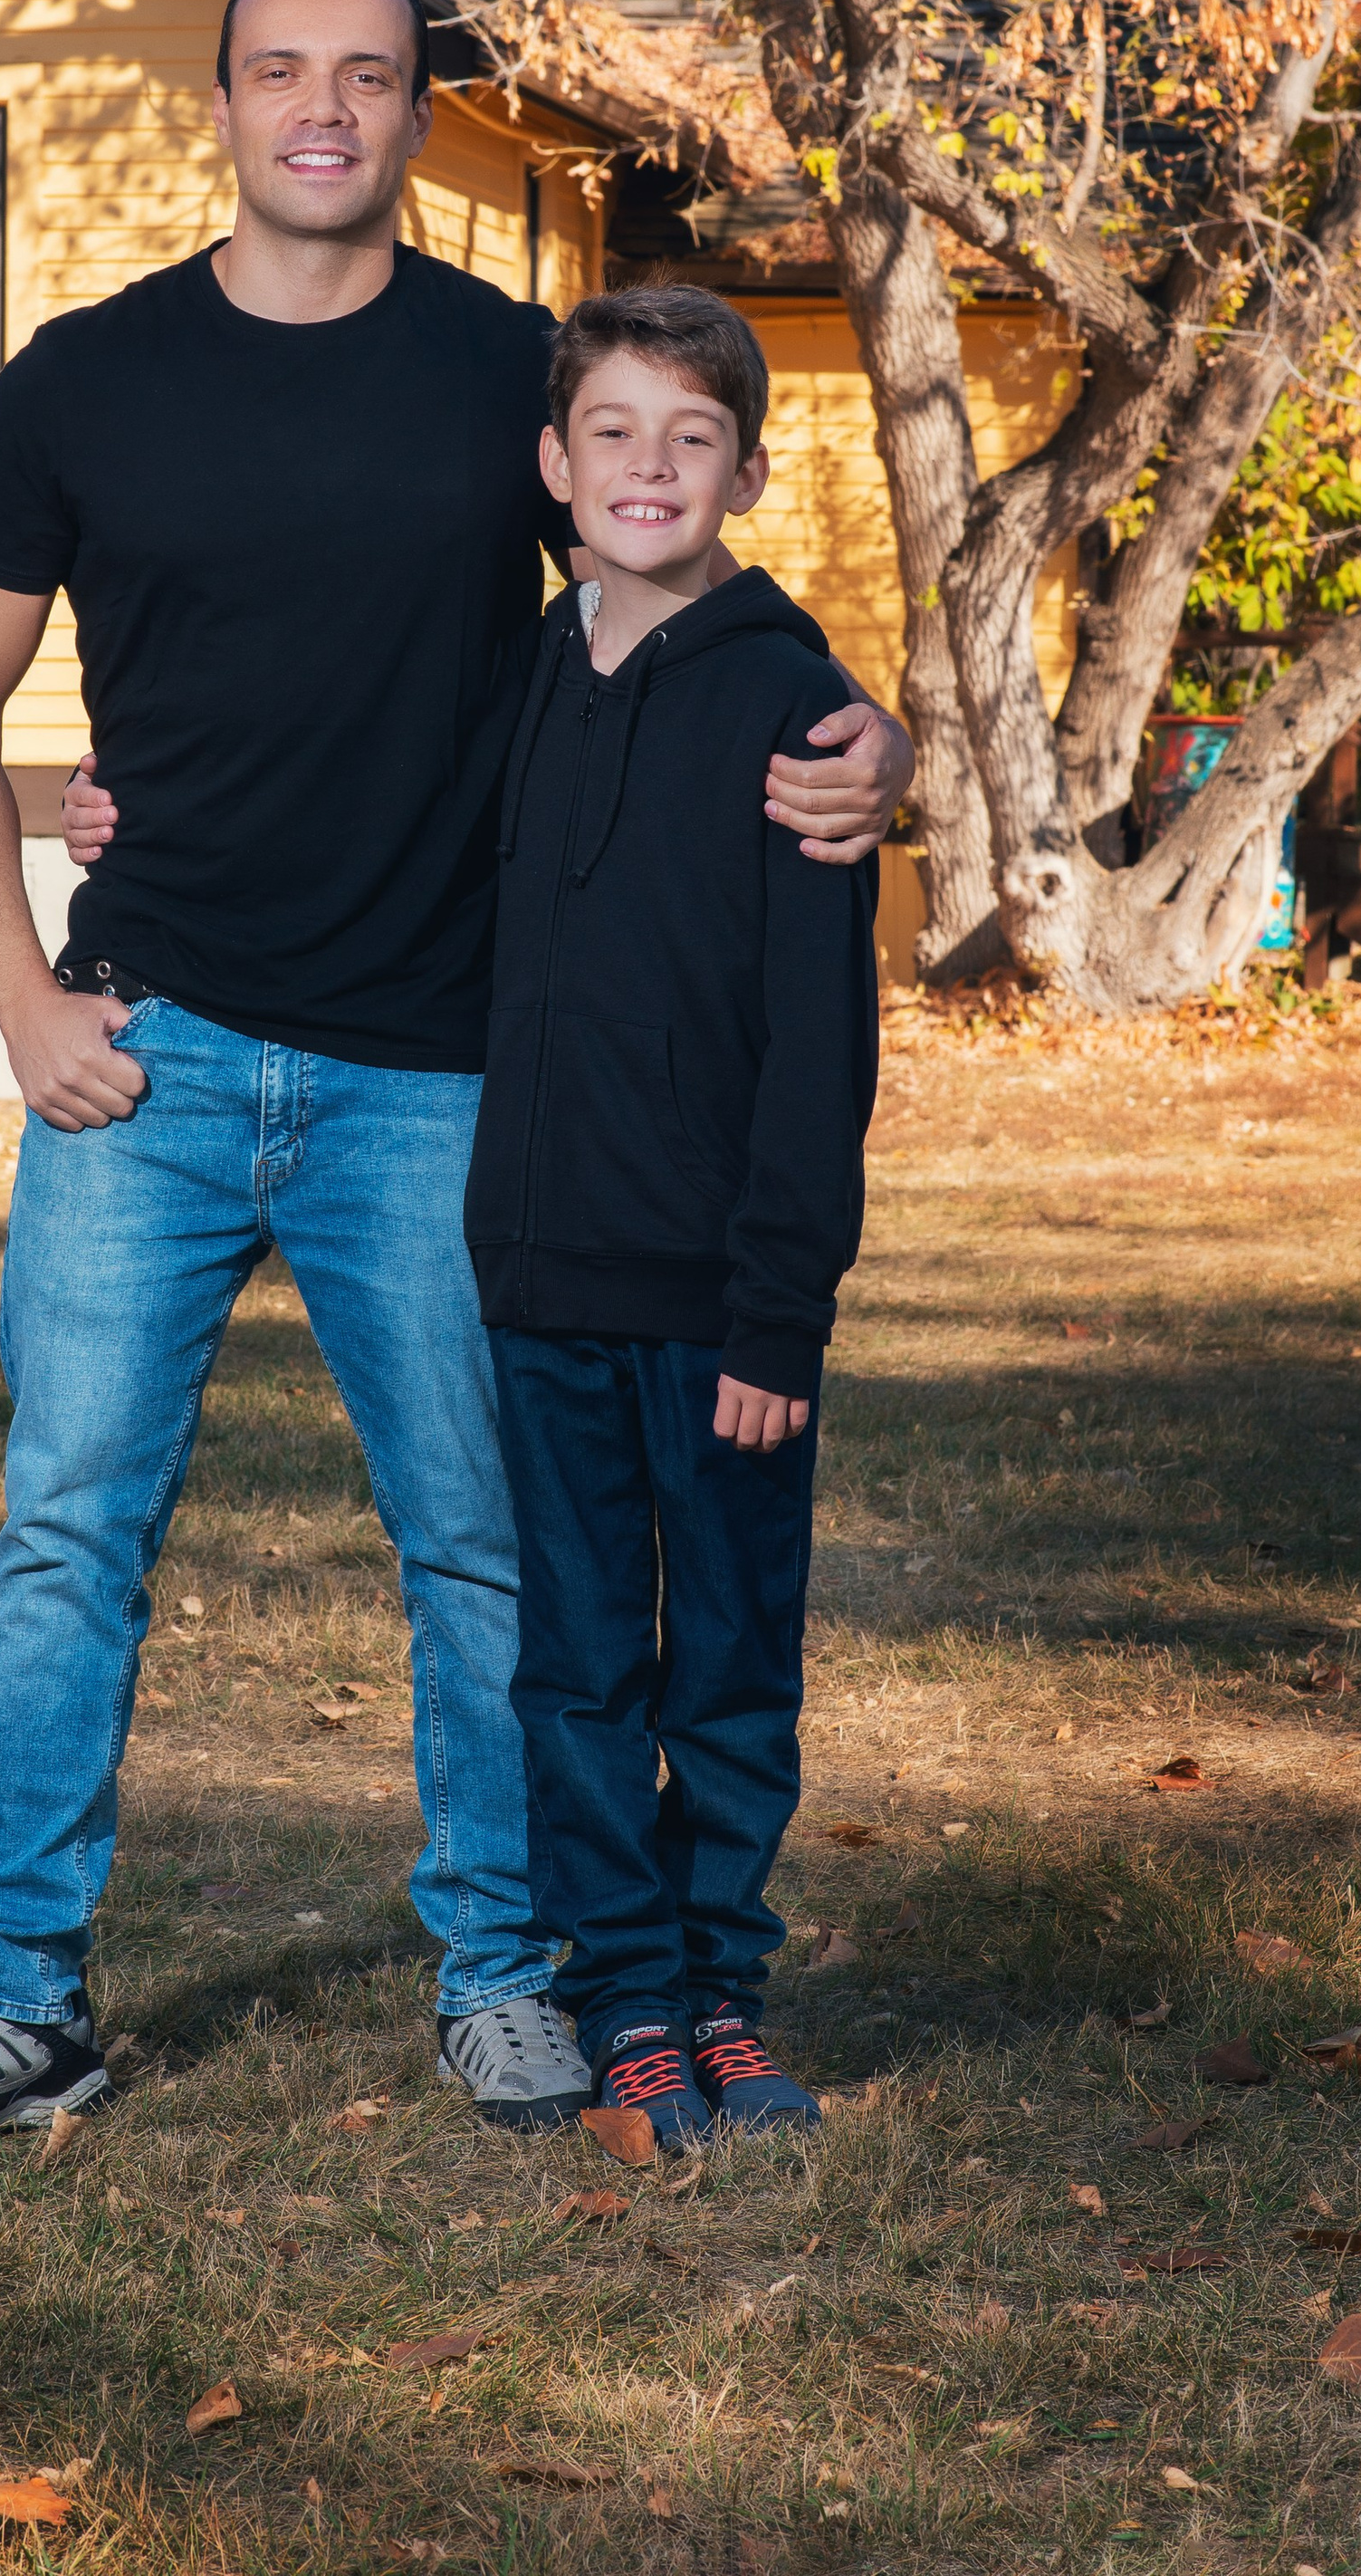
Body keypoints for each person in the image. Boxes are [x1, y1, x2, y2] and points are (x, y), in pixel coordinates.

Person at [0, 0, 912, 2150]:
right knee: (63, 1536)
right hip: (151, 1054)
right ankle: (14, 1990)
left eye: (372, 77)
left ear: (417, 115)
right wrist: (21, 990)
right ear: (218, 100)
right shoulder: (82, 383)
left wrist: (858, 721)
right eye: (282, 72)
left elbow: (666, 548)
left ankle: (507, 1974)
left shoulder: (510, 375)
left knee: (485, 1555)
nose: (324, 109)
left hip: (439, 1083)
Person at [465, 286, 879, 2147]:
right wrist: (120, 817)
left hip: (718, 1302)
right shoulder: (517, 679)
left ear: (744, 471)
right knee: (571, 1657)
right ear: (553, 466)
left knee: (722, 1656)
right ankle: (619, 1994)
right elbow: (355, 832)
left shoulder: (795, 709)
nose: (646, 466)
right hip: (536, 1273)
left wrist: (779, 1308)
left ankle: (722, 1991)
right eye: (611, 432)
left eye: (686, 436)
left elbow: (817, 1042)